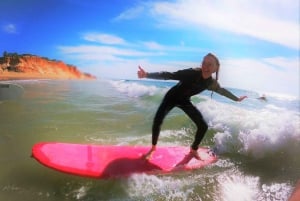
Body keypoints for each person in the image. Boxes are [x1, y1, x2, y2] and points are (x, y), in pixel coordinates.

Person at [138, 53, 247, 160]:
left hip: (184, 101)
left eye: (210, 64)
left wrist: (236, 99)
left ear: (215, 68)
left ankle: (193, 149)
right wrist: (147, 74)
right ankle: (153, 148)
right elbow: (169, 74)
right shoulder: (191, 73)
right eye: (204, 63)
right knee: (158, 119)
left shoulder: (211, 83)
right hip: (171, 97)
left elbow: (223, 91)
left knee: (203, 126)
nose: (206, 66)